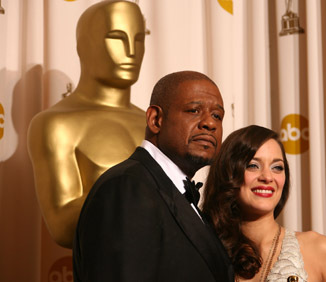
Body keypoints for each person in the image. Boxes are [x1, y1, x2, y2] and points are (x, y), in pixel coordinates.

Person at [73, 71, 234, 282]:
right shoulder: (127, 188)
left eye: (217, 116)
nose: (209, 124)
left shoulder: (174, 192)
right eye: (194, 110)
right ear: (155, 119)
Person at [27, 1, 147, 248]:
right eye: (116, 37)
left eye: (138, 39)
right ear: (83, 46)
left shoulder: (153, 124)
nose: (131, 51)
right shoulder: (56, 124)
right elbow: (62, 226)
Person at [202, 125, 326, 282]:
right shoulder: (206, 252)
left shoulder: (319, 249)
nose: (267, 177)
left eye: (277, 167)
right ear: (228, 173)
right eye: (253, 165)